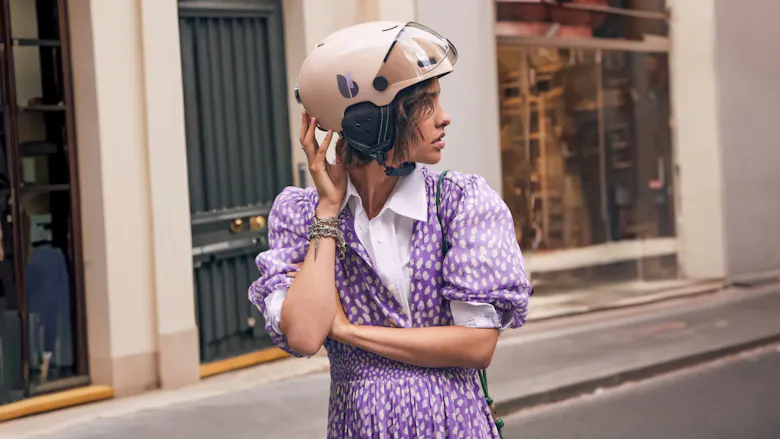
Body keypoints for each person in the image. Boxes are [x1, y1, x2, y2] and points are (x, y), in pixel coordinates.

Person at [249, 21, 532, 439]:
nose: (444, 118)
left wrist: (348, 332)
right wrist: (328, 210)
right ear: (371, 121)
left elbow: (476, 346)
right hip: (359, 426)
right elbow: (306, 336)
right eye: (426, 104)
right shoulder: (303, 215)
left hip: (452, 424)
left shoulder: (459, 203)